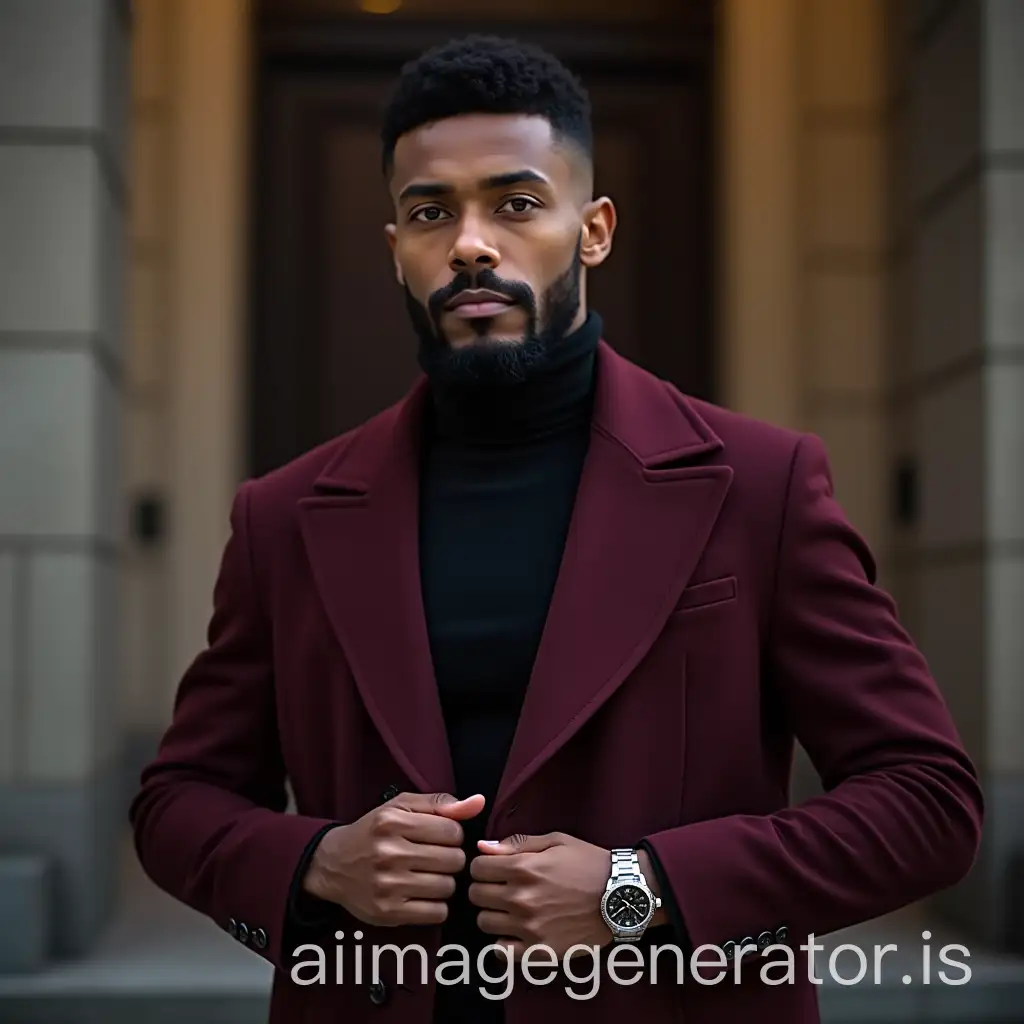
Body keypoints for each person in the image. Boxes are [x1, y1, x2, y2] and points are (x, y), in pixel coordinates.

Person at [129, 33, 983, 1024]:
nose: (471, 242)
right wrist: (317, 863)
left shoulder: (759, 486)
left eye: (516, 202)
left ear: (594, 229)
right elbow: (175, 801)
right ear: (396, 248)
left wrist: (638, 890)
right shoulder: (283, 515)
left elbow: (925, 803)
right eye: (429, 212)